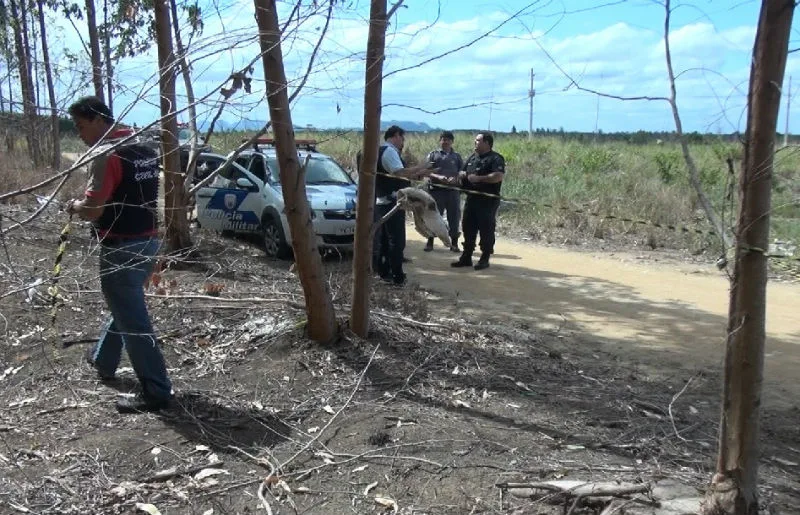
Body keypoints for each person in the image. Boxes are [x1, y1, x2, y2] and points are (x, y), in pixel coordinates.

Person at [65, 96, 173, 413]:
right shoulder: (143, 146)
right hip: (149, 240)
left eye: (81, 126)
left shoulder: (106, 155)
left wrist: (74, 207)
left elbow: (93, 209)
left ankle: (156, 390)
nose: (80, 134)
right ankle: (104, 359)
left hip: (122, 245)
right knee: (124, 305)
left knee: (133, 319)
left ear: (99, 120)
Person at [373, 125, 434, 285]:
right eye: (402, 137)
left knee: (385, 240)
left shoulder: (382, 151)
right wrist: (421, 167)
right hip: (391, 202)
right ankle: (396, 276)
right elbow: (399, 172)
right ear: (396, 136)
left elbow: (400, 174)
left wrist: (419, 173)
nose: (403, 141)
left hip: (383, 201)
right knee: (396, 241)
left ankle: (384, 272)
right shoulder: (389, 151)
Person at [451, 131, 505, 271]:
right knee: (468, 227)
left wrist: (479, 178)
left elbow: (498, 176)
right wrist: (461, 175)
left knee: (486, 229)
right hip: (471, 198)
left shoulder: (496, 158)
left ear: (487, 143)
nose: (475, 143)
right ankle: (466, 257)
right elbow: (462, 172)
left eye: (478, 140)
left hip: (487, 200)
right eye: (475, 140)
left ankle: (484, 258)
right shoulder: (472, 158)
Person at [425, 131, 463, 253]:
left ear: (452, 142)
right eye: (443, 139)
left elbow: (462, 172)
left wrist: (456, 178)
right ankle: (430, 242)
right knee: (434, 217)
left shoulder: (457, 156)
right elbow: (426, 171)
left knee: (454, 218)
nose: (445, 142)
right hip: (436, 191)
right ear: (440, 141)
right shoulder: (433, 155)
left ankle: (454, 244)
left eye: (448, 139)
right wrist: (439, 177)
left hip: (453, 192)